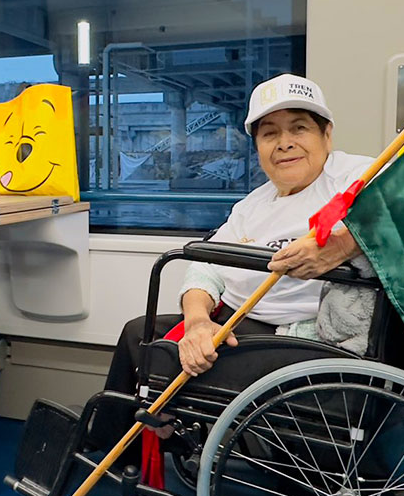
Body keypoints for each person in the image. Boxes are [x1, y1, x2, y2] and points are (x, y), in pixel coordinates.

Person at [93, 73, 373, 449]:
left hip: (297, 339)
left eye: (299, 128)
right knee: (136, 332)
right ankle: (115, 451)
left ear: (327, 135)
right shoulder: (253, 204)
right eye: (270, 133)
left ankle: (141, 444)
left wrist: (340, 245)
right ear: (257, 145)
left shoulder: (358, 176)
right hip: (235, 319)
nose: (285, 143)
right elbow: (205, 266)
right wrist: (197, 322)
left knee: (156, 356)